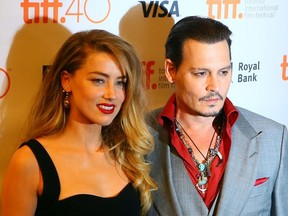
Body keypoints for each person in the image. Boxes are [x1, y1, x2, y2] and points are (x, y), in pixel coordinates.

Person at [2, 29, 156, 216]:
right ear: (67, 80)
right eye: (98, 80)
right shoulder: (29, 162)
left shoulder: (128, 154)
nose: (112, 95)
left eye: (120, 83)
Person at [147, 16, 288, 215]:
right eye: (201, 73)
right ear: (171, 71)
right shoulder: (136, 136)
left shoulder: (274, 138)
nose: (215, 86)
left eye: (223, 72)